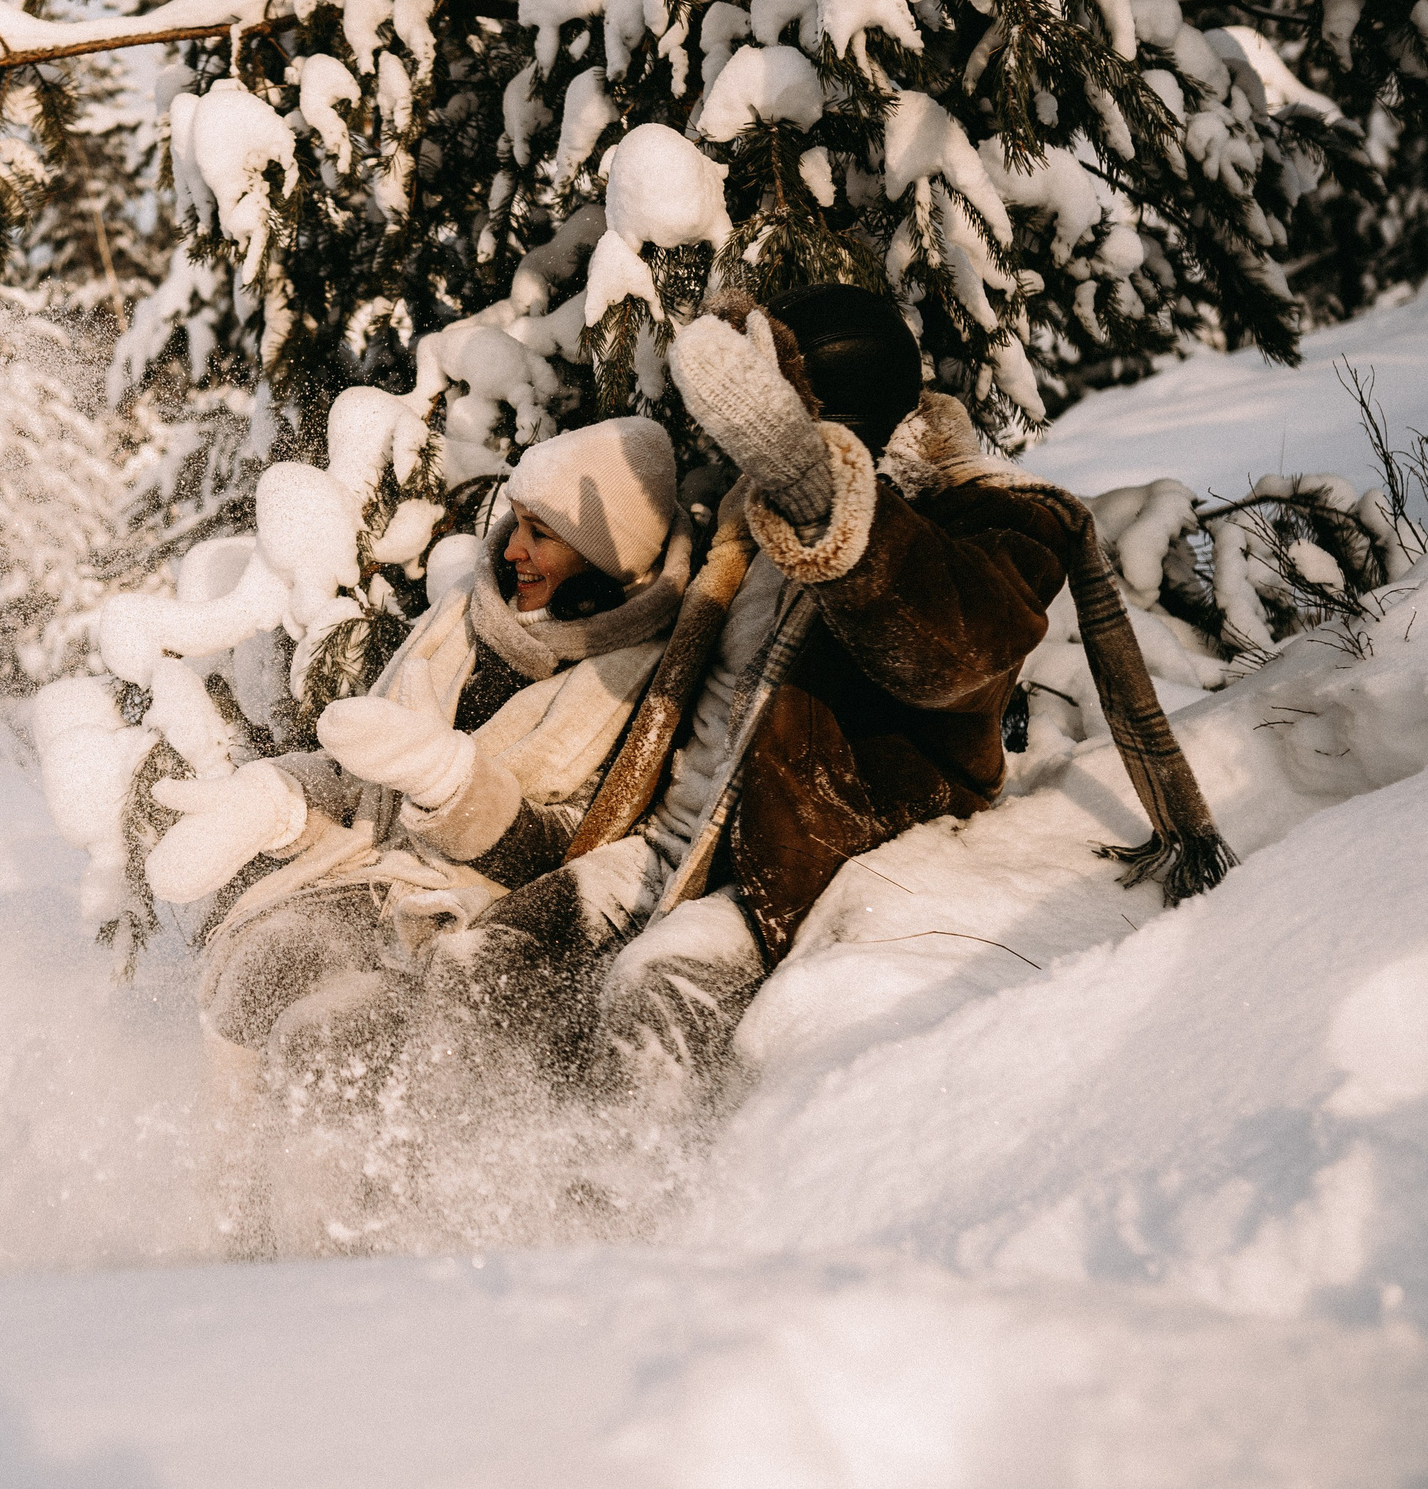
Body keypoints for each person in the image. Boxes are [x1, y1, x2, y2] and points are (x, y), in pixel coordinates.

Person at [435, 285, 1233, 1117]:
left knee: (655, 993)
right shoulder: (745, 514)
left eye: (775, 395)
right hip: (670, 839)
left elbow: (946, 652)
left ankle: (625, 1222)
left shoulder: (984, 522)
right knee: (484, 962)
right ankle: (434, 1177)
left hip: (795, 869)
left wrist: (823, 495)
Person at [142, 418, 695, 1253]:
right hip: (369, 878)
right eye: (519, 522)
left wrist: (453, 783)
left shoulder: (638, 676)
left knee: (323, 1037)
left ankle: (346, 1275)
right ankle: (234, 1226)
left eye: (546, 533)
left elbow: (579, 845)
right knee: (262, 960)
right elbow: (366, 761)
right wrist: (278, 798)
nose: (515, 549)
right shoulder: (462, 621)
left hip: (475, 919)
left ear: (607, 555)